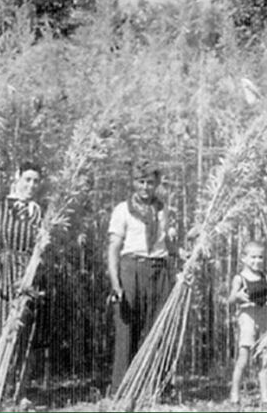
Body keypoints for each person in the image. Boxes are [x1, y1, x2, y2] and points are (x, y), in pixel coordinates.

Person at [107, 160, 179, 393]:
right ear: (133, 183)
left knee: (158, 327)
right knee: (127, 328)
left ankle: (155, 386)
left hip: (159, 269)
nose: (146, 187)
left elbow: (166, 243)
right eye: (141, 182)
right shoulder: (122, 210)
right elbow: (113, 249)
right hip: (131, 269)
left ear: (157, 183)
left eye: (150, 182)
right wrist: (116, 284)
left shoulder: (162, 209)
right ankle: (123, 388)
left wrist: (182, 251)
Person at [0, 161, 46, 399]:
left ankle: (20, 392)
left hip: (30, 274)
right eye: (27, 179)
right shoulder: (1, 205)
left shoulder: (40, 211)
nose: (31, 185)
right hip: (4, 275)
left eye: (35, 181)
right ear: (17, 177)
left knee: (26, 332)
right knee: (1, 330)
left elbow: (45, 244)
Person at [228, 241, 267, 406]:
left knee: (264, 359)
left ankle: (265, 397)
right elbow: (231, 299)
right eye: (253, 257)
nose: (257, 261)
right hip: (248, 316)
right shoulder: (240, 278)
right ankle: (234, 394)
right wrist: (238, 297)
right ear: (244, 258)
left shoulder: (265, 278)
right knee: (243, 358)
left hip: (264, 316)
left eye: (260, 257)